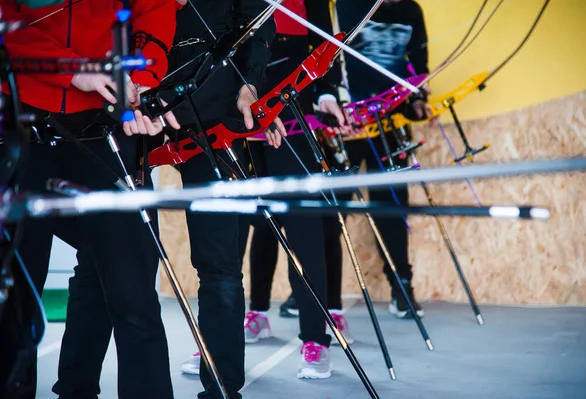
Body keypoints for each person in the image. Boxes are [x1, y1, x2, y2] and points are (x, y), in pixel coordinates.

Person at [0, 1, 180, 399]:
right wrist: (70, 68)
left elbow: (154, 9)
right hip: (18, 123)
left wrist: (143, 77)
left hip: (107, 128)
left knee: (135, 296)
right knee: (12, 302)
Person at [168, 0, 285, 396]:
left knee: (219, 265)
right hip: (137, 105)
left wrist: (251, 86)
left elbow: (259, 23)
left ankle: (220, 385)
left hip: (213, 114)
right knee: (107, 264)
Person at [235, 0, 354, 380]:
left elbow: (325, 47)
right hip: (238, 111)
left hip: (292, 109)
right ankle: (238, 327)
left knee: (304, 227)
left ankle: (315, 338)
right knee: (249, 225)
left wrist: (328, 95)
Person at [335, 0, 430, 319]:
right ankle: (316, 290)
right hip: (347, 122)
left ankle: (402, 287)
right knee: (334, 210)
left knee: (391, 207)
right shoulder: (349, 5)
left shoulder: (411, 11)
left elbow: (419, 66)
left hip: (389, 122)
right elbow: (331, 55)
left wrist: (418, 99)